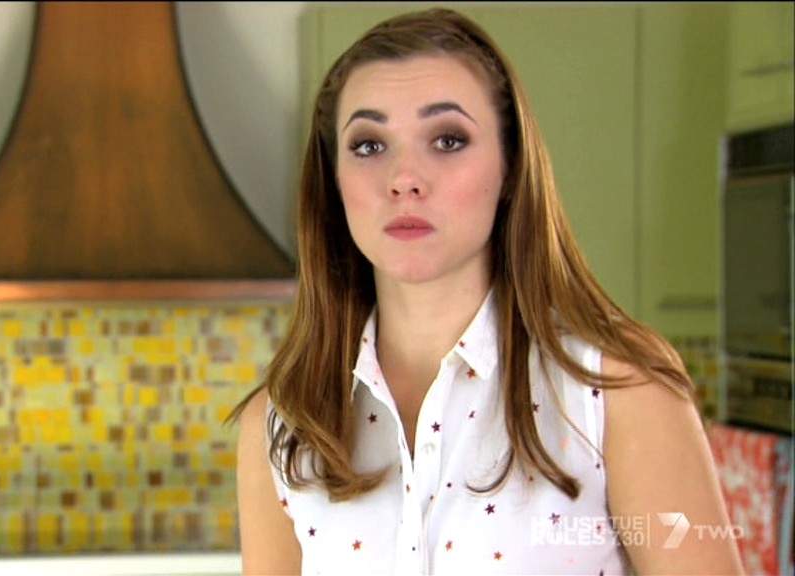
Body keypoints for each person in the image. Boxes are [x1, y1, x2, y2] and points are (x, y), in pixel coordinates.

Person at [230, 7, 743, 575]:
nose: (404, 179)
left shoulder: (619, 391)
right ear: (333, 181)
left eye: (448, 140)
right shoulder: (281, 425)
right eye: (369, 145)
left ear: (510, 168)